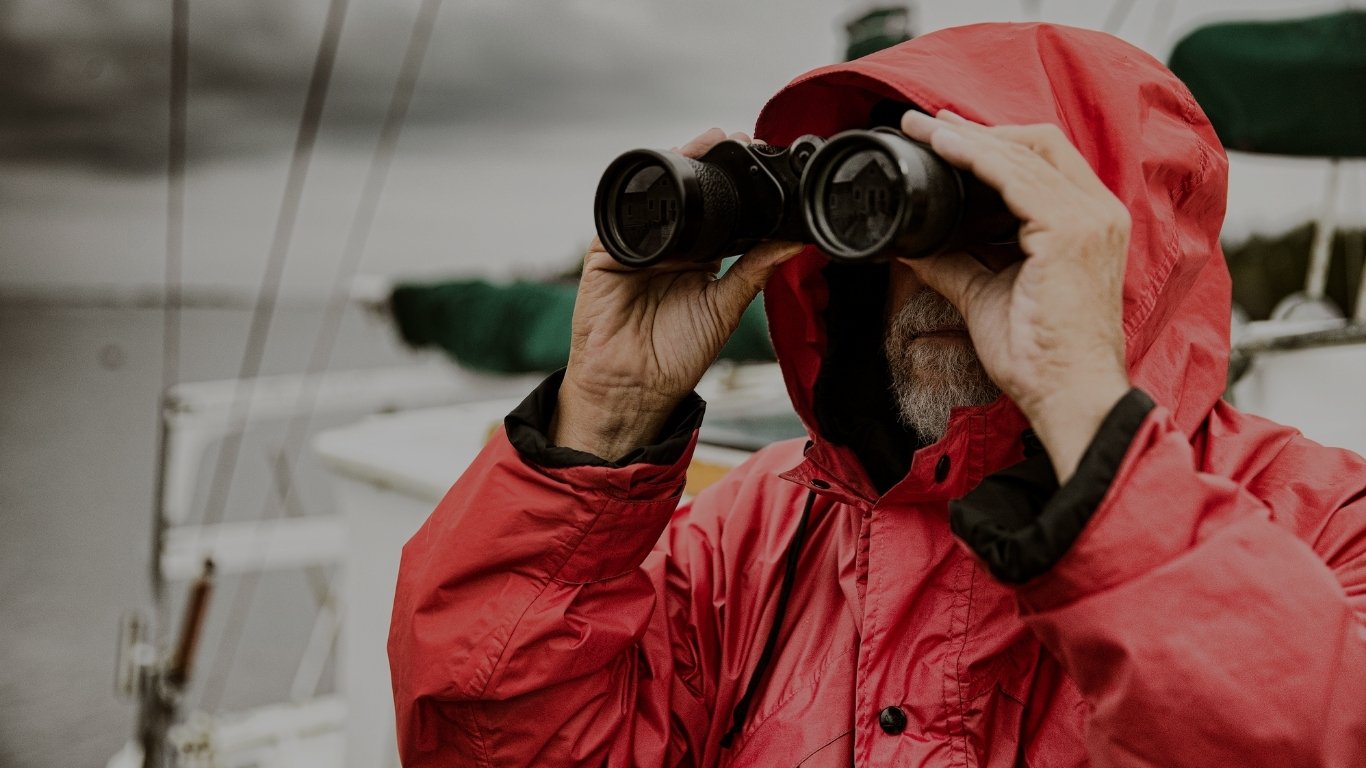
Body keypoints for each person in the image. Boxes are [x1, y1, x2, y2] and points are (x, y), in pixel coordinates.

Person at [388, 23, 1366, 767]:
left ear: (1115, 239)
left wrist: (1084, 412)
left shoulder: (1323, 527)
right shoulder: (749, 537)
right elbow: (488, 742)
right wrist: (602, 417)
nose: (927, 273)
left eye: (991, 214)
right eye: (878, 219)